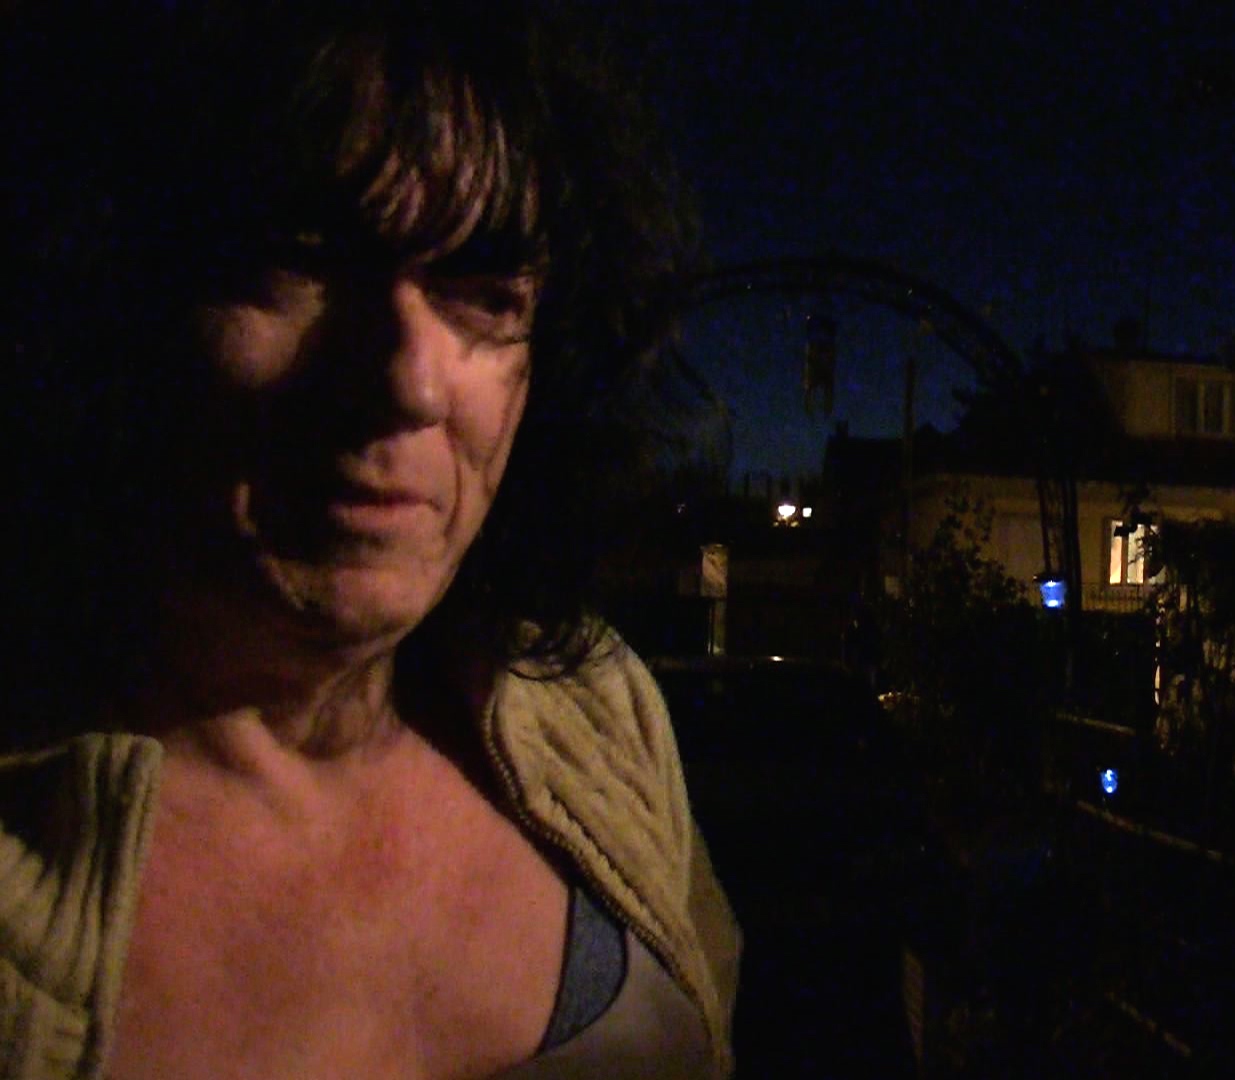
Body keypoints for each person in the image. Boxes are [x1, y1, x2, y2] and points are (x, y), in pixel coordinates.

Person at [0, 2, 739, 1077]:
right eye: (299, 262)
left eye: (485, 293)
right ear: (111, 293)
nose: (409, 380)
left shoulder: (597, 711)